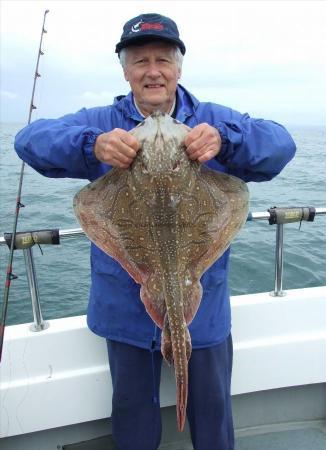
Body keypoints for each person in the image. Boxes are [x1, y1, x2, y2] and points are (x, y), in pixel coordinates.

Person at [14, 13, 296, 450]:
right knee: (133, 418)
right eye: (140, 61)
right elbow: (30, 139)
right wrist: (94, 145)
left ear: (179, 67)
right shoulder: (103, 120)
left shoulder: (210, 118)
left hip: (201, 304)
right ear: (125, 71)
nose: (152, 71)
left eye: (162, 59)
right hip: (123, 310)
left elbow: (281, 145)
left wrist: (226, 140)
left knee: (213, 414)